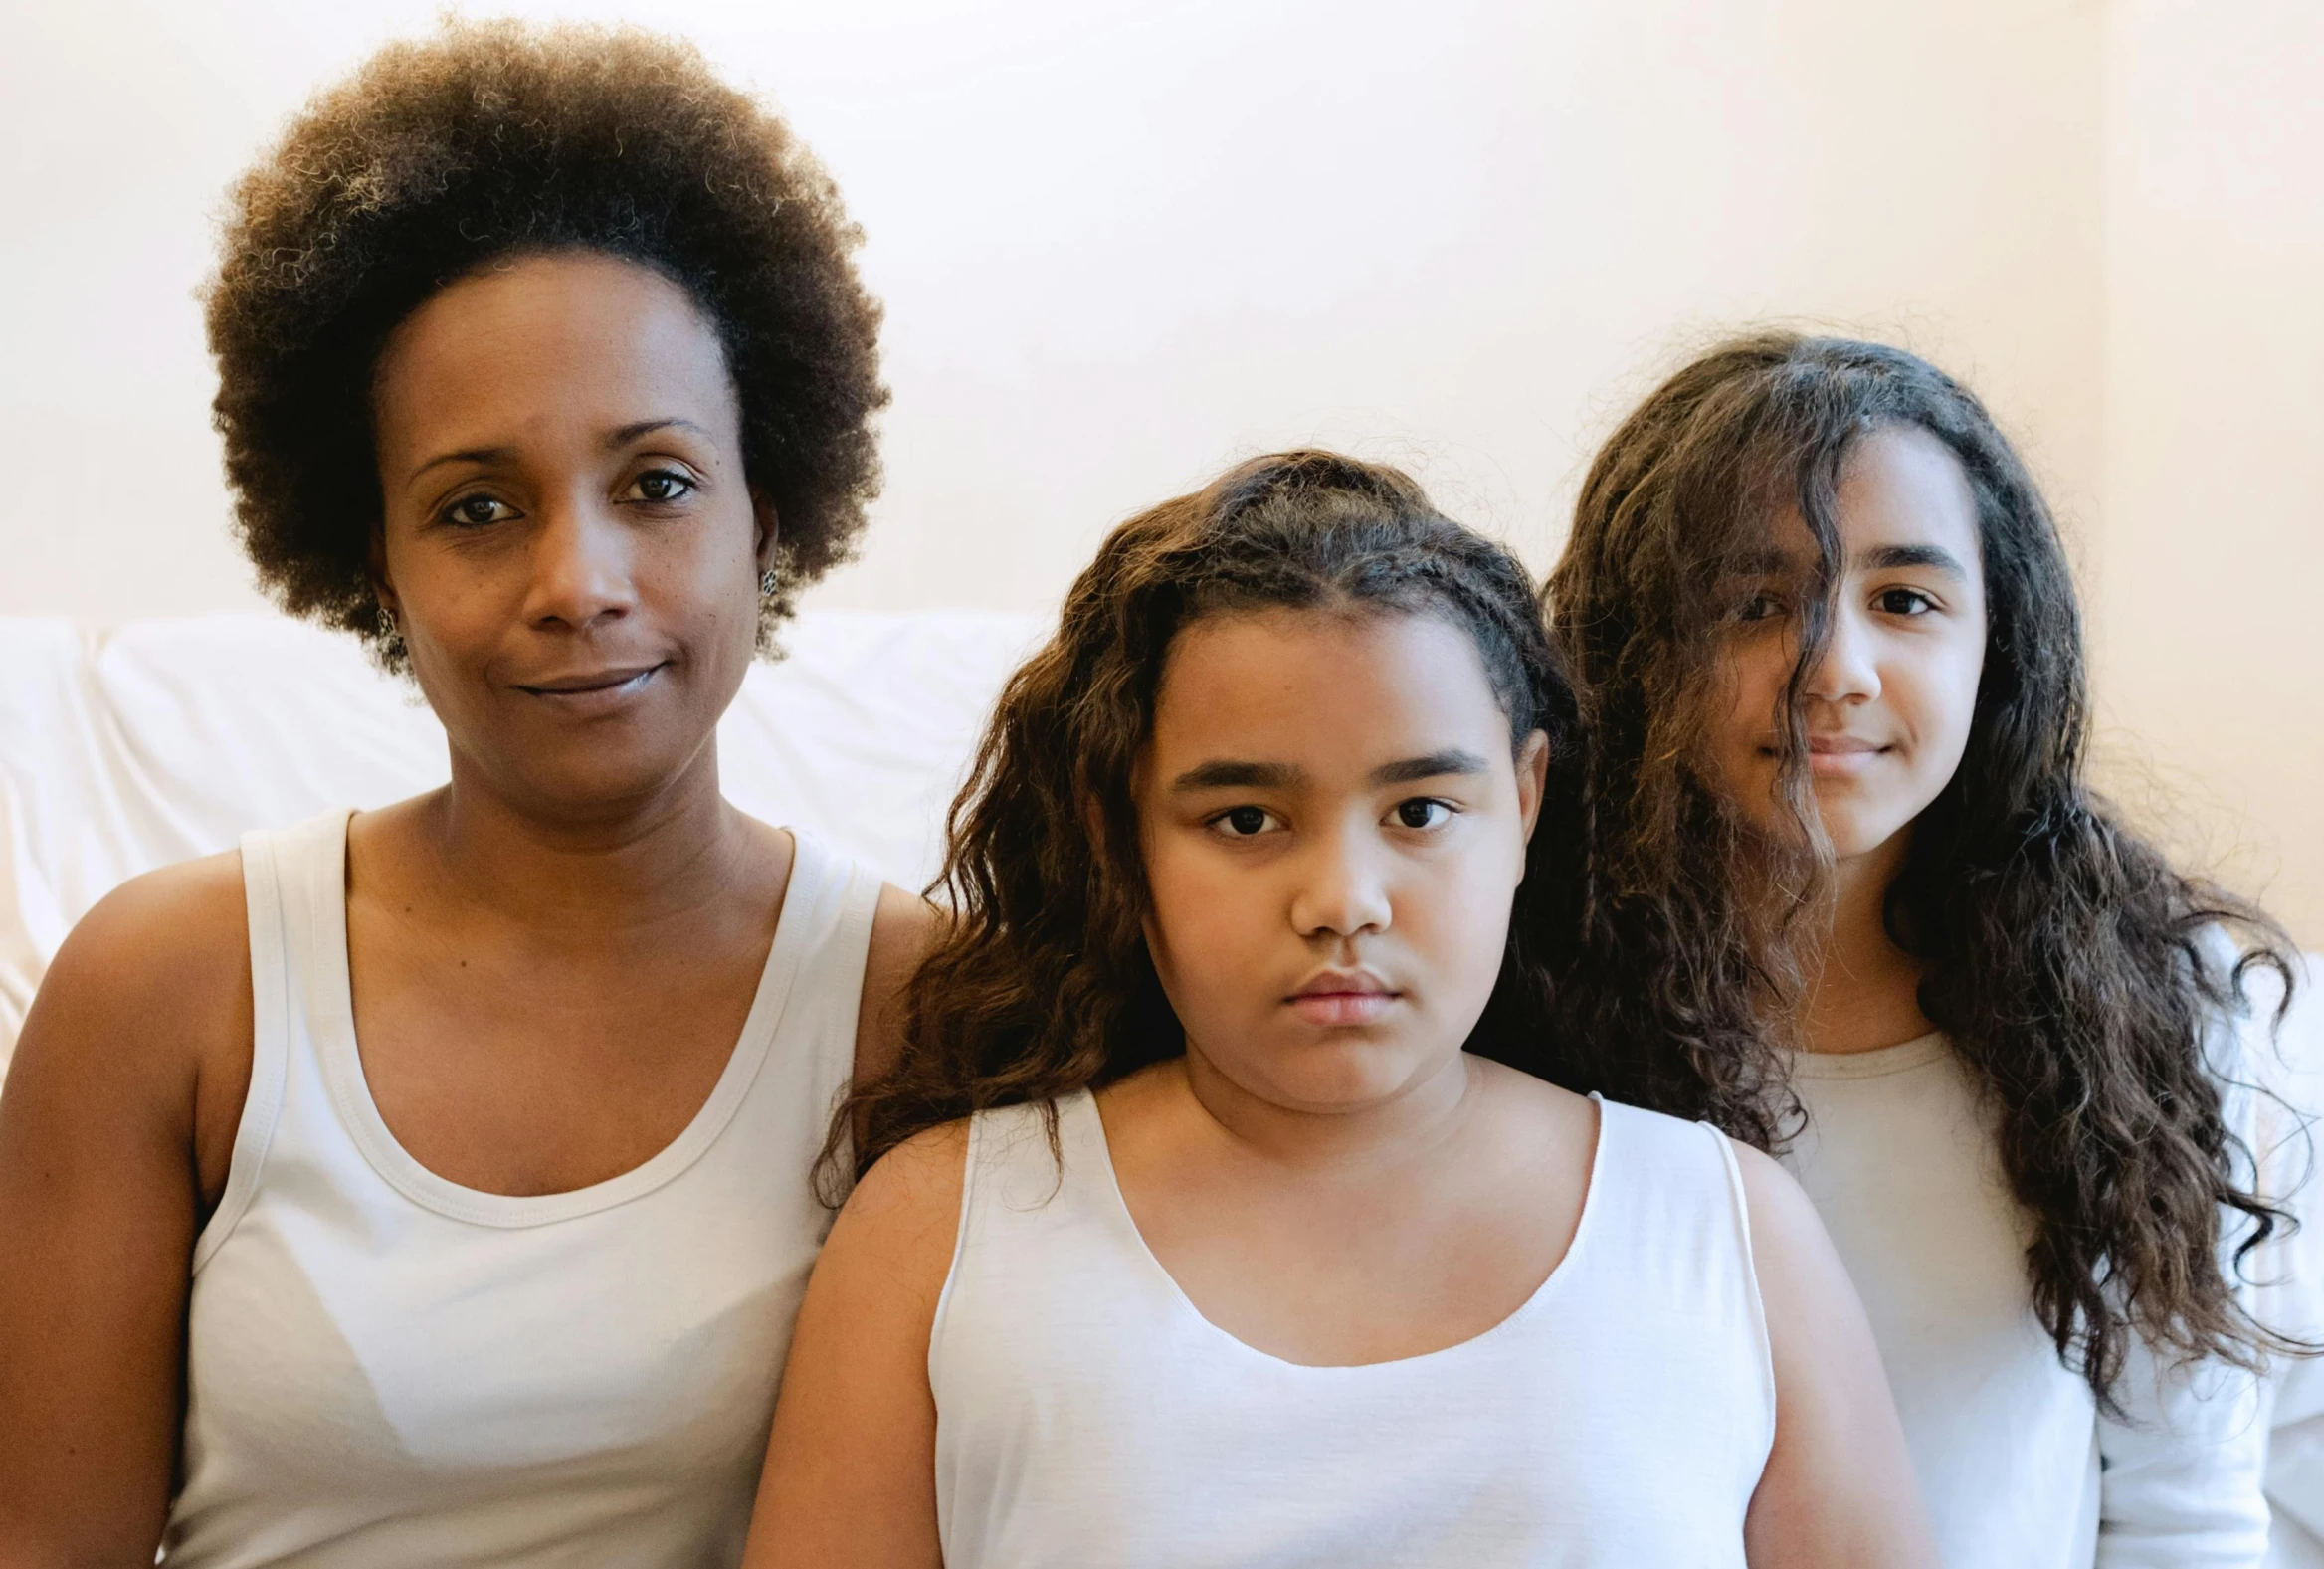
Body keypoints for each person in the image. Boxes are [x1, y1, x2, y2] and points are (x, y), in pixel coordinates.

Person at [0, 20, 929, 1565]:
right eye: (478, 507)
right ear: (374, 559)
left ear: (768, 519)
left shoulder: (925, 1010)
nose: (579, 583)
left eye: (657, 484)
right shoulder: (164, 996)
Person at [741, 451, 1937, 1568]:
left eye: (1418, 811)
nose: (1341, 901)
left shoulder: (1724, 1230)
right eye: (1246, 820)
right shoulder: (942, 1234)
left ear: (1521, 800)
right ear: (1118, 831)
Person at [1544, 332, 2309, 1567]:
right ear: (1639, 645)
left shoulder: (2150, 1011)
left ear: (1994, 643)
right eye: (1752, 603)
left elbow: (2183, 1511)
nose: (1832, 669)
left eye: (1904, 600)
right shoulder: (1520, 1000)